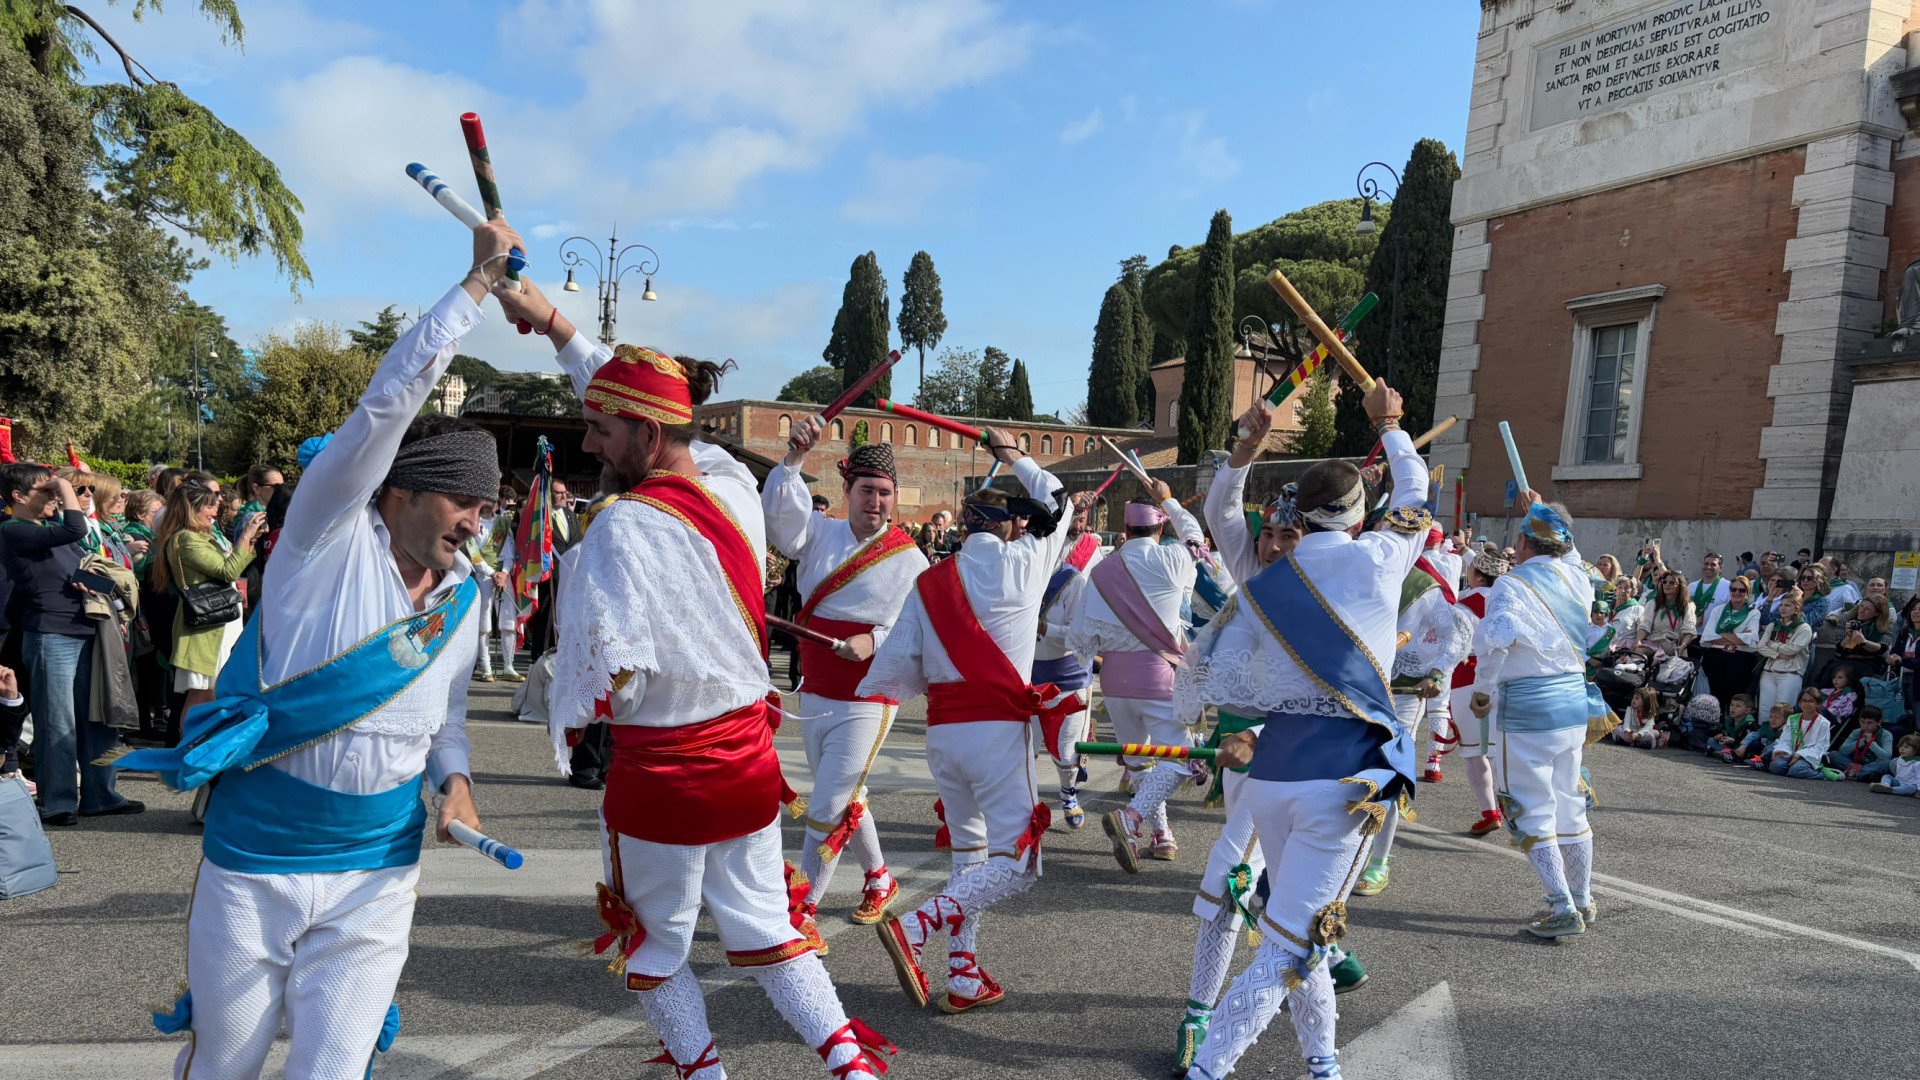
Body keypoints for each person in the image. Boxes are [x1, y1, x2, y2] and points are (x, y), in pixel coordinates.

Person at [110, 220, 515, 1080]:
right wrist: (475, 288)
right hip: (257, 859)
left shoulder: (465, 597)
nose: (479, 523)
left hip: (379, 867)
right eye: (465, 503)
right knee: (227, 1060)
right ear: (397, 492)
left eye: (488, 507)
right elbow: (387, 402)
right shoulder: (322, 539)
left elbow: (442, 720)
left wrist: (461, 785)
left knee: (332, 1069)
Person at [498, 275, 894, 1078]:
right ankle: (850, 1068)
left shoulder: (620, 530)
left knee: (651, 941)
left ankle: (702, 1071)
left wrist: (555, 688)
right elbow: (637, 395)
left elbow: (606, 685)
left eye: (599, 430)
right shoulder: (731, 486)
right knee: (770, 929)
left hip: (661, 780)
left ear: (644, 434)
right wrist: (553, 323)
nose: (587, 445)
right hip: (746, 766)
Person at [1165, 381, 1426, 1080]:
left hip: (1271, 780)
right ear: (1357, 515)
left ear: (1302, 518)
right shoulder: (1380, 560)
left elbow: (1221, 512)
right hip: (1344, 782)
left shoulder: (1263, 581)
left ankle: (1322, 1063)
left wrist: (1245, 447)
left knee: (1300, 929)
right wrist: (1392, 423)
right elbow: (1416, 492)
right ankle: (1207, 1069)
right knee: (1288, 946)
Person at [857, 436, 1079, 1016]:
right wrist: (1014, 454)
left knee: (969, 856)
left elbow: (903, 661)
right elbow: (1062, 503)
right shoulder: (1026, 562)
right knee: (1020, 862)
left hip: (942, 734)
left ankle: (963, 972)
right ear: (1009, 526)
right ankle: (917, 926)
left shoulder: (930, 580)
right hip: (997, 732)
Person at [763, 422, 929, 940]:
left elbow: (914, 627)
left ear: (894, 498)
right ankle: (879, 878)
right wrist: (792, 461)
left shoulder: (911, 560)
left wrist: (875, 642)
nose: (874, 502)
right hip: (814, 686)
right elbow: (780, 529)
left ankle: (804, 908)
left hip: (869, 694)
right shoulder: (820, 532)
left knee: (828, 803)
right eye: (865, 491)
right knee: (846, 796)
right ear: (847, 492)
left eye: (884, 494)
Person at [1465, 492, 1602, 939]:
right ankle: (1581, 896)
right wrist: (1543, 512)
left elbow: (1496, 641)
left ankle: (1562, 903)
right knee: (1569, 801)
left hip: (1527, 707)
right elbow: (1571, 550)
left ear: (1524, 542)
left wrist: (1483, 692)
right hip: (1573, 707)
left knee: (1529, 807)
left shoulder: (1513, 583)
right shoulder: (1578, 578)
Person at [1071, 484, 1205, 869]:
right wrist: (1168, 498)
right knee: (1179, 760)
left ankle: (1163, 835)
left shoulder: (1100, 571)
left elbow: (1083, 639)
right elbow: (1196, 537)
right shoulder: (1174, 560)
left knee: (1141, 763)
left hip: (1114, 681)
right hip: (1159, 677)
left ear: (1124, 531)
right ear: (1160, 530)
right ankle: (1132, 820)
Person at [0, 463, 138, 824]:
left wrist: (106, 591)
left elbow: (87, 573)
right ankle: (59, 801)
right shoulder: (13, 530)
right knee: (56, 720)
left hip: (86, 630)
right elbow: (77, 525)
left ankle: (101, 795)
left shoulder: (51, 532)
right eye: (43, 491)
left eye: (54, 491)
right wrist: (63, 483)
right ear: (18, 497)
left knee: (98, 718)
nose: (54, 497)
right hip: (51, 635)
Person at [1352, 529, 1471, 897]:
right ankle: (1344, 854)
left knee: (1388, 773)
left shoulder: (1422, 586)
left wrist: (1437, 672)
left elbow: (1456, 630)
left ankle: (1377, 862)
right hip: (1355, 688)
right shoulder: (1358, 574)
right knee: (1349, 771)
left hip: (1403, 692)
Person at [151, 482, 263, 716]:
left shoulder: (199, 537)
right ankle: (190, 747)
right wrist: (244, 537)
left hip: (216, 626)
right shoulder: (186, 540)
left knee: (211, 693)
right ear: (191, 509)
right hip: (204, 630)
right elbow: (228, 571)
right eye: (209, 507)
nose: (215, 512)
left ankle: (196, 745)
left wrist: (250, 541)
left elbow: (232, 565)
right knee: (202, 695)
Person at [1031, 491, 1104, 829]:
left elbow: (1087, 622)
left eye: (1083, 514)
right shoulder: (1035, 555)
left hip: (1070, 665)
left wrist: (1046, 627)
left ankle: (1068, 792)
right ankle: (1027, 803)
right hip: (1030, 667)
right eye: (1074, 513)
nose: (1079, 520)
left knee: (1066, 747)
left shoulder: (1089, 555)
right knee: (1026, 747)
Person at [1445, 544, 1510, 835]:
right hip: (1504, 677)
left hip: (1467, 677)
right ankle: (1514, 811)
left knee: (1474, 752)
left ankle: (1490, 812)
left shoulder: (1463, 605)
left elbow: (1452, 647)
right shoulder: (1506, 601)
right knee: (1499, 750)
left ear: (1478, 575)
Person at [1698, 574, 1761, 708]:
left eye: (1741, 590)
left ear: (1747, 593)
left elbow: (1750, 639)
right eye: (1733, 589)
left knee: (1735, 695)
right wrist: (1739, 637)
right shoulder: (1718, 610)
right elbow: (1707, 637)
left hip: (1740, 658)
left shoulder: (1753, 613)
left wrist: (1721, 634)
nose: (1736, 593)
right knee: (1715, 694)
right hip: (1716, 657)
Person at [1756, 591, 1812, 721]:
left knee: (1784, 709)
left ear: (1796, 608)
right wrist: (1777, 654)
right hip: (1769, 671)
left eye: (1787, 605)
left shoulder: (1804, 628)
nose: (1782, 608)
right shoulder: (1773, 624)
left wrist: (1773, 645)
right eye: (1781, 605)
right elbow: (1761, 646)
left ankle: (1782, 737)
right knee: (1765, 709)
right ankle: (1764, 736)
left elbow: (1792, 649)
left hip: (1789, 673)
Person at [1756, 687, 1832, 779]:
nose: (1807, 704)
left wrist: (1800, 754)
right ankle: (1793, 770)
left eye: (1811, 701)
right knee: (1775, 766)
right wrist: (1781, 751)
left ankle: (1823, 774)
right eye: (1804, 701)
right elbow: (1785, 739)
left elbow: (1821, 746)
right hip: (1791, 754)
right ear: (1799, 703)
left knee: (1796, 770)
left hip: (1808, 756)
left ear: (1818, 703)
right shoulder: (1793, 719)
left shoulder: (1823, 723)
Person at [1825, 705, 1891, 780]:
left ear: (1879, 722)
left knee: (1887, 763)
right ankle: (1863, 775)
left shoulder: (1886, 735)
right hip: (1854, 763)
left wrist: (1870, 743)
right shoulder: (1856, 732)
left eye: (1870, 723)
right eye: (1862, 722)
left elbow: (1886, 756)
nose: (1865, 726)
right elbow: (1842, 750)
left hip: (1872, 764)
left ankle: (1852, 773)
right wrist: (1860, 742)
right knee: (1833, 755)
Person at [1725, 703, 1790, 764]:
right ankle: (1734, 754)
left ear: (1786, 720)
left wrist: (1763, 754)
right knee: (1754, 740)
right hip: (1762, 749)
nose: (1773, 720)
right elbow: (1753, 735)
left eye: (1777, 718)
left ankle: (1762, 761)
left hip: (1772, 753)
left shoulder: (1786, 730)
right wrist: (1743, 745)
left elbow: (1777, 743)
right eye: (1771, 717)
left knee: (1775, 745)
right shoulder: (1767, 726)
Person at [1707, 694, 1760, 760]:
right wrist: (1720, 736)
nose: (1733, 708)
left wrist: (1734, 741)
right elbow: (1724, 731)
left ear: (1747, 710)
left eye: (1738, 706)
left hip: (1741, 746)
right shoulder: (1729, 719)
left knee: (1754, 743)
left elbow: (1749, 739)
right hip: (1730, 745)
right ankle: (1729, 754)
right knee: (1711, 740)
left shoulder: (1750, 723)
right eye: (1732, 705)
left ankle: (1730, 754)